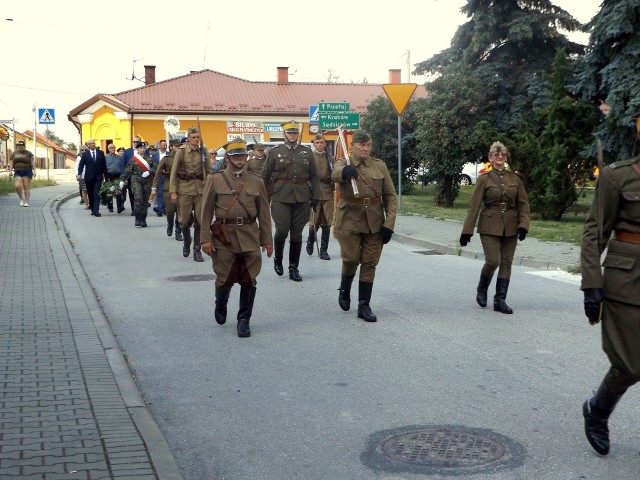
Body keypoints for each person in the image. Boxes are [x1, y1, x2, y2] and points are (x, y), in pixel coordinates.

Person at [580, 153, 640, 456]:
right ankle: (597, 411)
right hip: (628, 281)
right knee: (631, 364)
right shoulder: (618, 176)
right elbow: (595, 232)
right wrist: (592, 283)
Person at [201, 138, 273, 338]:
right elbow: (205, 212)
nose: (240, 159)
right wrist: (205, 239)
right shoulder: (214, 180)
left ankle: (244, 319)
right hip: (224, 238)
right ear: (229, 159)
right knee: (224, 278)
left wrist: (267, 240)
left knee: (249, 279)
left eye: (242, 155)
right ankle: (221, 303)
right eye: (235, 156)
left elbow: (264, 214)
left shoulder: (256, 182)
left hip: (250, 235)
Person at [331, 130, 397, 322]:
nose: (366, 149)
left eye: (368, 145)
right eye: (362, 145)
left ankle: (364, 305)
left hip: (375, 221)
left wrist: (389, 224)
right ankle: (345, 288)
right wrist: (344, 173)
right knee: (351, 259)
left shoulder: (379, 165)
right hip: (349, 219)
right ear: (353, 146)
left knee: (369, 263)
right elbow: (334, 174)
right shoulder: (344, 161)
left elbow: (390, 195)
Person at [459, 141, 530, 314]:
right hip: (489, 224)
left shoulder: (515, 179)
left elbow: (524, 204)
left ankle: (500, 300)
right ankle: (482, 288)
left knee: (506, 262)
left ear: (506, 157)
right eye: (496, 155)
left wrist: (523, 225)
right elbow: (474, 206)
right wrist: (467, 231)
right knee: (493, 261)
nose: (500, 157)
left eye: (503, 154)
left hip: (511, 224)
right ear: (490, 158)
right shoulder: (484, 179)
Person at [261, 120, 321, 281]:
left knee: (297, 233)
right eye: (290, 133)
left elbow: (314, 176)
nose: (292, 135)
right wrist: (262, 198)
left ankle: (293, 267)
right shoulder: (275, 152)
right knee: (282, 229)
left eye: (295, 133)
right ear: (284, 134)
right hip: (280, 196)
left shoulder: (307, 152)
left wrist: (316, 196)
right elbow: (265, 176)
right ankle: (278, 259)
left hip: (302, 196)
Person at [170, 127, 211, 262]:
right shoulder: (181, 153)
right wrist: (173, 192)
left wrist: (208, 183)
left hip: (200, 190)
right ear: (188, 138)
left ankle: (197, 250)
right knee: (184, 221)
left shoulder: (204, 151)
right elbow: (174, 174)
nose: (196, 139)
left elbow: (209, 171)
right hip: (185, 190)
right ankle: (187, 242)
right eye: (193, 137)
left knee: (200, 221)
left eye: (198, 137)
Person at [305, 133, 335, 260]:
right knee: (314, 222)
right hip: (314, 192)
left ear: (325, 143)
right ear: (313, 144)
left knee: (327, 222)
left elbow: (335, 173)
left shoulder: (330, 158)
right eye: (317, 143)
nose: (319, 145)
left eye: (321, 142)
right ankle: (310, 241)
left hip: (328, 192)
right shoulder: (309, 158)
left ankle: (324, 250)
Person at [150, 138, 183, 241]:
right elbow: (158, 174)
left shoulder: (184, 158)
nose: (178, 148)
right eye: (176, 146)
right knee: (169, 210)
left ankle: (178, 231)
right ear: (171, 147)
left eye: (180, 146)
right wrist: (154, 188)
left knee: (180, 210)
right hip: (168, 185)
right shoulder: (166, 159)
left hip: (181, 186)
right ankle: (170, 224)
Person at [119, 141, 155, 227]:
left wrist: (149, 172)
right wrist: (122, 180)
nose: (142, 149)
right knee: (138, 198)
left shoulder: (149, 158)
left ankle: (143, 219)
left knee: (145, 200)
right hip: (136, 180)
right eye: (140, 148)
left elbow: (156, 167)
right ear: (137, 149)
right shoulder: (134, 159)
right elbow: (127, 170)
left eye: (143, 148)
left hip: (147, 181)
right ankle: (137, 218)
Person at [77, 138, 107, 217]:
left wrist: (106, 177)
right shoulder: (85, 154)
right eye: (91, 144)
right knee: (90, 194)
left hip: (98, 177)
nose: (93, 145)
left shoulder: (101, 153)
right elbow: (81, 165)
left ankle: (96, 211)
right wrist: (79, 174)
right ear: (88, 145)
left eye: (93, 143)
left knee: (96, 193)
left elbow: (104, 165)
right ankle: (93, 209)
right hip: (89, 177)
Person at [9, 140, 36, 207]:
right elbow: (12, 163)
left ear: (24, 146)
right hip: (17, 171)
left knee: (26, 186)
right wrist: (10, 171)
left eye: (21, 146)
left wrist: (34, 171)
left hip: (27, 170)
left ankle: (26, 202)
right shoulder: (14, 153)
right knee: (17, 186)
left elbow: (32, 163)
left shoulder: (28, 153)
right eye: (18, 146)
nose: (20, 147)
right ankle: (21, 198)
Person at [123, 136, 142, 215]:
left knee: (141, 193)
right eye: (134, 142)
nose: (135, 143)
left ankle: (140, 208)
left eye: (137, 142)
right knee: (131, 193)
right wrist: (124, 177)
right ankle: (133, 209)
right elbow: (124, 165)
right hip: (131, 176)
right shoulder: (127, 152)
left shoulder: (145, 151)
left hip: (141, 176)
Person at [105, 143, 125, 213]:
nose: (113, 149)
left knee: (118, 192)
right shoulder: (106, 157)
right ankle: (110, 207)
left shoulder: (119, 157)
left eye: (114, 147)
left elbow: (122, 167)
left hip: (117, 176)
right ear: (108, 149)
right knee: (110, 191)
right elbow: (104, 168)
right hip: (109, 176)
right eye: (111, 148)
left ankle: (119, 207)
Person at [152, 139, 169, 216]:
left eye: (166, 145)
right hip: (159, 175)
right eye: (164, 145)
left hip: (167, 176)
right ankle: (160, 209)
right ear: (159, 146)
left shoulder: (169, 154)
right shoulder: (155, 155)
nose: (165, 146)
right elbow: (152, 165)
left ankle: (166, 208)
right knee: (159, 193)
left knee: (166, 192)